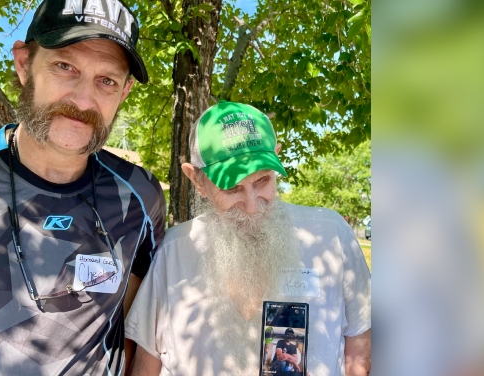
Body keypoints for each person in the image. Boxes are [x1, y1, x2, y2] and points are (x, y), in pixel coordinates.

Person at [0, 0, 166, 375]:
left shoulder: (140, 198)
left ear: (125, 91)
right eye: (66, 67)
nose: (82, 100)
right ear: (24, 63)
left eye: (107, 81)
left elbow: (134, 328)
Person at [126, 101, 371, 376]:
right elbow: (146, 362)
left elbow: (360, 348)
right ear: (197, 181)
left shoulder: (330, 234)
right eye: (232, 188)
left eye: (263, 181)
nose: (253, 206)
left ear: (277, 158)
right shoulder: (173, 251)